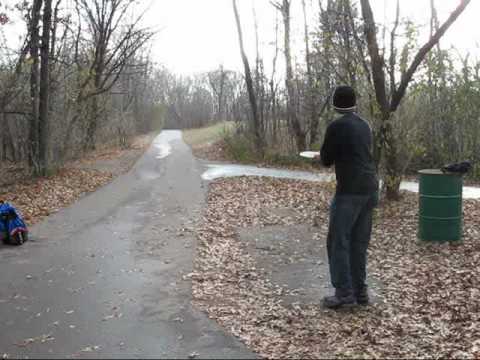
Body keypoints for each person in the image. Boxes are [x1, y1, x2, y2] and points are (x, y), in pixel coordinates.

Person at [316, 85, 379, 309]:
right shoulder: (365, 125)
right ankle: (360, 292)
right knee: (358, 243)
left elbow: (326, 159)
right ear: (355, 103)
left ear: (335, 104)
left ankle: (344, 294)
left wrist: (319, 156)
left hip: (349, 190)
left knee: (338, 241)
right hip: (370, 188)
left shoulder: (336, 126)